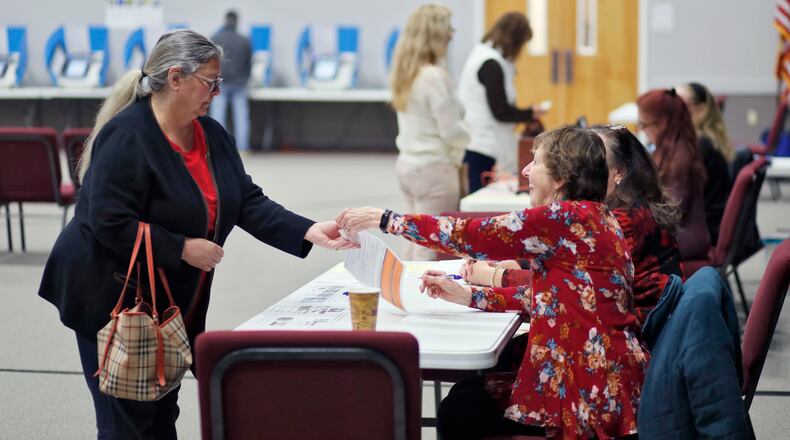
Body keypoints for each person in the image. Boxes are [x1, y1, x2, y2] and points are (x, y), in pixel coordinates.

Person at [37, 30, 355, 439]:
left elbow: (247, 200)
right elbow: (108, 221)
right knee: (125, 421)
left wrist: (310, 230)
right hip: (109, 295)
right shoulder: (129, 135)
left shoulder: (211, 135)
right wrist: (183, 248)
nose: (217, 93)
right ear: (175, 78)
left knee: (160, 412)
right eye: (210, 82)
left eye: (219, 83)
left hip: (166, 300)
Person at [337, 126, 648, 439]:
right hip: (601, 382)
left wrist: (387, 220)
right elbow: (550, 299)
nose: (526, 170)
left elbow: (469, 235)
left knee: (461, 410)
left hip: (586, 394)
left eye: (536, 162)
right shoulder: (596, 217)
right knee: (463, 399)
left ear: (561, 178)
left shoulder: (564, 218)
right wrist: (469, 296)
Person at [464, 126, 683, 325]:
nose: (581, 172)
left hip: (625, 340)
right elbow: (560, 261)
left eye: (594, 164)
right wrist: (508, 264)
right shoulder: (630, 208)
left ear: (619, 173)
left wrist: (491, 276)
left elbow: (563, 286)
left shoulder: (621, 223)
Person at [388, 4, 470, 260]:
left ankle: (404, 294)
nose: (452, 34)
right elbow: (451, 131)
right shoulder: (434, 76)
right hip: (435, 170)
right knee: (431, 245)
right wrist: (471, 133)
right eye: (448, 29)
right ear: (436, 35)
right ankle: (423, 298)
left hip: (408, 167)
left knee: (412, 239)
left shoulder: (406, 74)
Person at [458, 11, 546, 193]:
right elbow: (500, 111)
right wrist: (530, 113)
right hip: (483, 146)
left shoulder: (483, 54)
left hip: (479, 142)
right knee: (480, 202)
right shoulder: (491, 64)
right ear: (514, 40)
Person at [637, 88, 710, 260]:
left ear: (662, 123)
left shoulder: (680, 156)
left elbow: (673, 211)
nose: (643, 130)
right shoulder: (670, 151)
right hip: (682, 235)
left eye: (645, 125)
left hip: (685, 240)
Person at [676, 82, 733, 245]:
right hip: (708, 224)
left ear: (701, 110)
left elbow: (681, 201)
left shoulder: (700, 146)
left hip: (703, 231)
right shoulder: (707, 140)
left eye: (681, 105)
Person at [210, 10, 252, 152]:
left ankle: (218, 146)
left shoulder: (215, 38)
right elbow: (249, 63)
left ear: (225, 20)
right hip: (240, 83)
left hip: (220, 82)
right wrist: (246, 78)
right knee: (241, 117)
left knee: (218, 115)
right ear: (237, 22)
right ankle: (243, 148)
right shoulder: (245, 40)